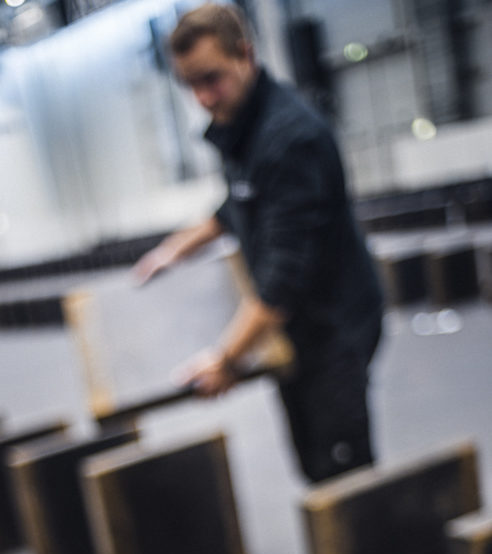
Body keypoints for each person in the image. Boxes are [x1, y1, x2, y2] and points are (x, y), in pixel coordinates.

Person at [134, 2, 384, 483]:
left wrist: (225, 359)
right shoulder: (241, 126)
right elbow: (234, 208)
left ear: (246, 55)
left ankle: (374, 553)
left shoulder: (289, 138)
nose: (204, 97)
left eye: (212, 78)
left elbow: (281, 284)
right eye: (190, 85)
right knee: (313, 461)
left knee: (346, 471)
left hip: (333, 328)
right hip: (293, 331)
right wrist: (171, 253)